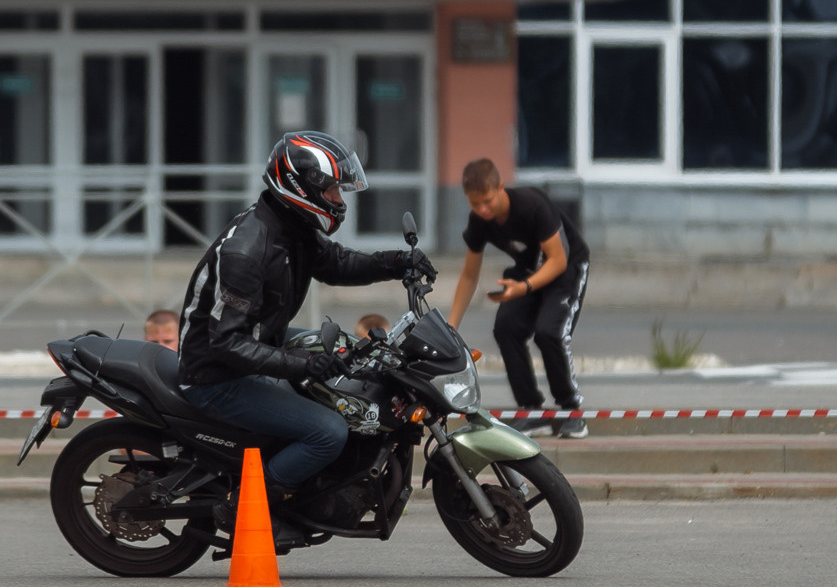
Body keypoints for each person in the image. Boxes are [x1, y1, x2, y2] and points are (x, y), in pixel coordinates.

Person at [176, 132, 436, 498]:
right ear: (301, 188)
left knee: (353, 358)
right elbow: (226, 343)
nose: (338, 200)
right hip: (215, 376)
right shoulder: (247, 252)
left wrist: (397, 262)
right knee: (328, 431)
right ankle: (253, 504)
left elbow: (336, 264)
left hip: (259, 341)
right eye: (332, 190)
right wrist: (301, 365)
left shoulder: (290, 225)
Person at [447, 158, 591, 439]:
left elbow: (558, 261)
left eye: (487, 201)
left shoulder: (532, 205)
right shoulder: (479, 220)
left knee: (549, 332)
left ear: (501, 187)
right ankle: (531, 409)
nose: (483, 210)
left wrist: (522, 288)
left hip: (566, 269)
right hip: (527, 272)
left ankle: (571, 411)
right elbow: (468, 276)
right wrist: (451, 327)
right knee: (506, 328)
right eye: (475, 204)